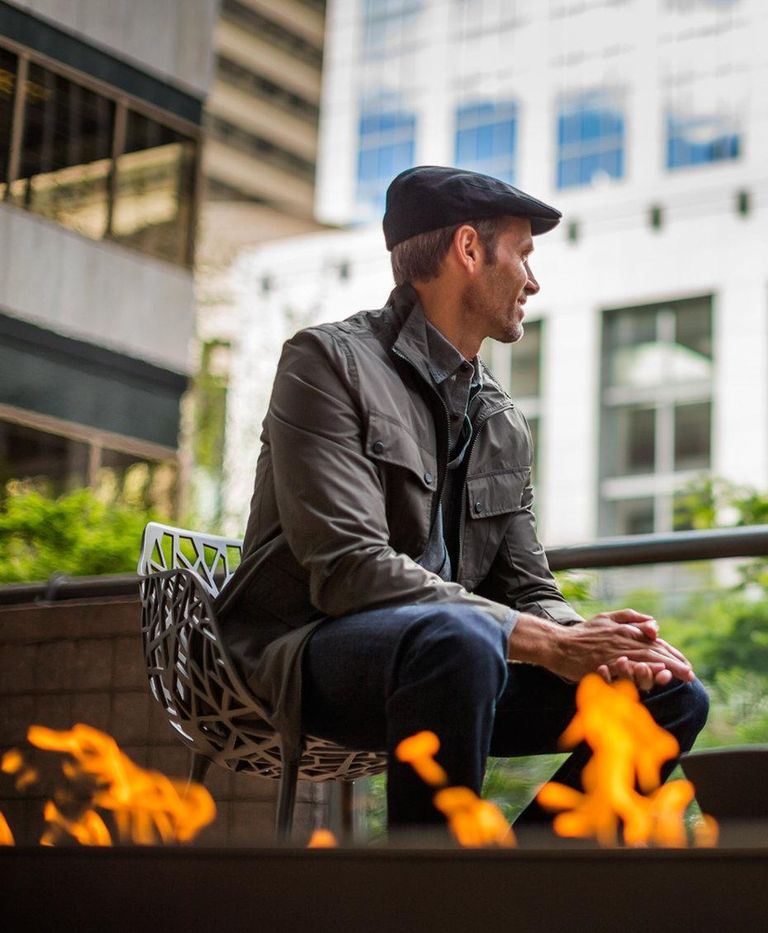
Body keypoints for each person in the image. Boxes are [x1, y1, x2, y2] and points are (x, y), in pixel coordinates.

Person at [216, 166, 708, 832]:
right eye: (524, 256)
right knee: (463, 638)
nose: (533, 282)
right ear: (469, 250)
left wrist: (589, 643)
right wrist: (538, 641)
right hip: (307, 657)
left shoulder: (501, 419)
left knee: (669, 693)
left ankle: (516, 892)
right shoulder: (326, 362)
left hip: (456, 661)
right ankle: (430, 901)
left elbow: (529, 587)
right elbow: (346, 567)